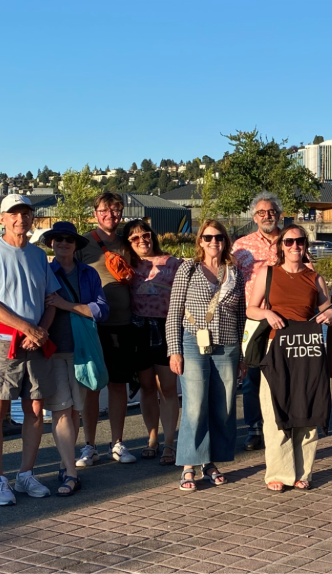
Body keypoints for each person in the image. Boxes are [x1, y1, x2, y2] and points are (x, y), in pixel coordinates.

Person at [0, 194, 61, 506]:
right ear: (2, 218)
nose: (20, 219)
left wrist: (40, 331)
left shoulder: (38, 256)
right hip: (1, 343)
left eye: (25, 213)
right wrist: (27, 328)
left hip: (35, 343)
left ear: (32, 218)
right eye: (13, 214)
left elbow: (51, 302)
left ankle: (25, 474)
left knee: (35, 409)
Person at [246, 224, 332, 491]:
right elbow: (251, 309)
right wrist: (267, 314)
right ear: (281, 246)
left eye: (299, 242)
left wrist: (330, 316)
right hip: (276, 351)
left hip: (308, 351)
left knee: (307, 409)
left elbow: (328, 311)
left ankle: (303, 472)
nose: (295, 246)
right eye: (289, 242)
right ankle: (279, 473)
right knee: (275, 410)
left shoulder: (315, 278)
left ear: (305, 245)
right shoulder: (269, 274)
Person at [167, 220, 247, 491]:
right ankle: (189, 464)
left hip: (228, 345)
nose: (214, 242)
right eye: (209, 237)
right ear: (200, 241)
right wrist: (174, 350)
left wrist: (243, 356)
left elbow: (241, 317)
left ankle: (210, 461)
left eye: (220, 237)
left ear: (225, 241)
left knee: (223, 405)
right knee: (195, 404)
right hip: (193, 341)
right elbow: (174, 313)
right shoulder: (187, 269)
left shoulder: (235, 273)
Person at [40, 221, 109, 496]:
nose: (63, 243)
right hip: (54, 350)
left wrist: (66, 305)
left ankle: (65, 462)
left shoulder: (89, 274)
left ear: (76, 245)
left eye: (68, 240)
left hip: (82, 349)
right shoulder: (45, 272)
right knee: (60, 410)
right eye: (58, 239)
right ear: (52, 243)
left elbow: (102, 310)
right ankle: (70, 470)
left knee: (75, 410)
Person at [75, 192, 139, 467]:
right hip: (93, 323)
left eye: (115, 211)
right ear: (95, 213)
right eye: (105, 211)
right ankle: (89, 445)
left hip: (123, 322)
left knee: (117, 385)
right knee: (90, 385)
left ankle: (117, 442)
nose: (110, 215)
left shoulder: (128, 242)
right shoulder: (84, 243)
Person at [125, 219, 182, 466]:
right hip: (138, 328)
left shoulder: (173, 263)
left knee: (167, 388)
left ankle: (169, 441)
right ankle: (152, 438)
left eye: (145, 235)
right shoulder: (126, 266)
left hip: (165, 327)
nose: (142, 241)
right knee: (147, 387)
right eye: (134, 238)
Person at [232, 192, 284, 452]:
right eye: (261, 212)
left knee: (283, 375)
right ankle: (254, 427)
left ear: (279, 214)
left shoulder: (292, 241)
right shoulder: (241, 247)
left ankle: (281, 423)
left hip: (286, 321)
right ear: (254, 217)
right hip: (252, 318)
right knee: (252, 376)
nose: (267, 216)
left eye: (271, 211)